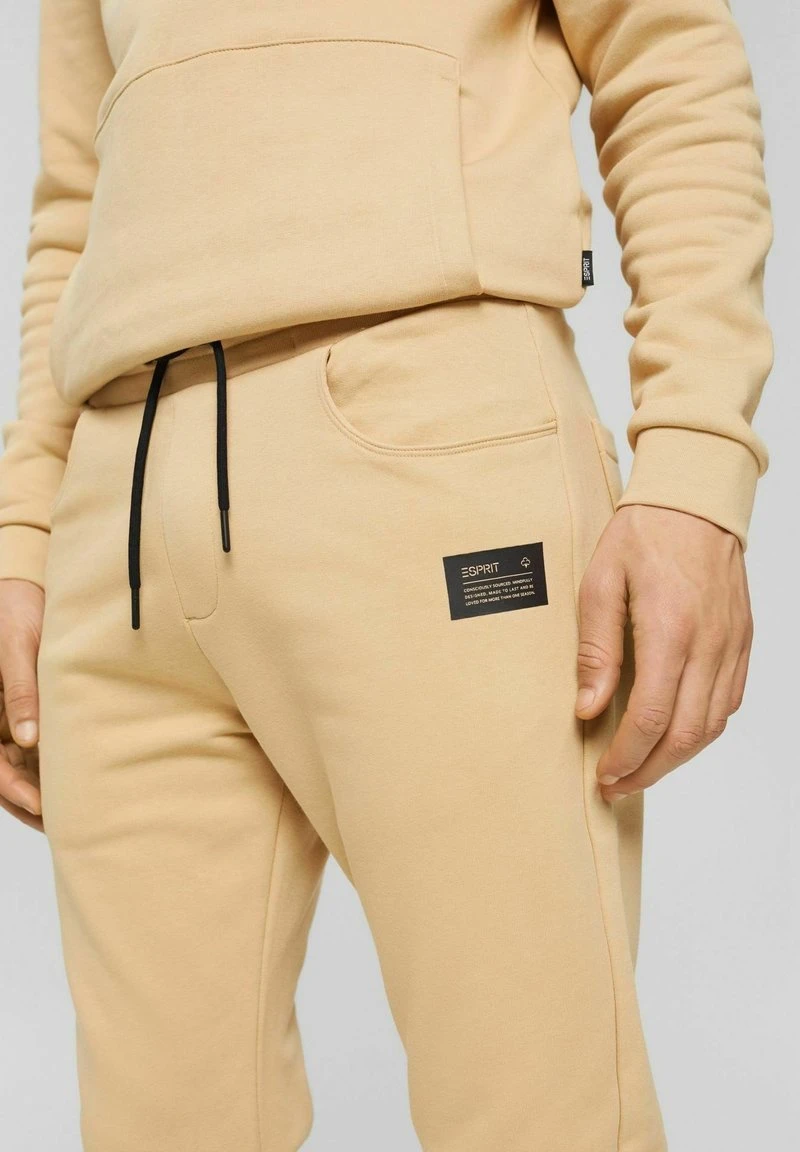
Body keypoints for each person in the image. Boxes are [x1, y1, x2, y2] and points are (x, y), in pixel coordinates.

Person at [0, 1, 773, 1149]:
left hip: (423, 423)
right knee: (157, 1127)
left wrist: (695, 467)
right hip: (117, 492)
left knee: (532, 1110)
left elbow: (666, 63)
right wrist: (24, 532)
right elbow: (77, 192)